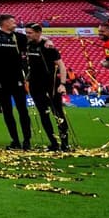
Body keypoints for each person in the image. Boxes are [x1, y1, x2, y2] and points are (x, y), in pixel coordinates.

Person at [0, 14, 31, 150]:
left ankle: (27, 140)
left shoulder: (19, 37)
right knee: (7, 111)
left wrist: (46, 40)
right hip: (0, 79)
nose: (15, 23)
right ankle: (15, 140)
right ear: (4, 23)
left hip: (17, 78)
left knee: (23, 110)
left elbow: (35, 40)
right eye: (12, 21)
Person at [25, 23, 70, 151]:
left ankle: (65, 143)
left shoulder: (48, 47)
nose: (27, 35)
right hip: (35, 84)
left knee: (58, 113)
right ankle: (53, 143)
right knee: (43, 114)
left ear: (38, 32)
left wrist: (62, 84)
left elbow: (61, 65)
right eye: (27, 32)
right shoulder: (28, 45)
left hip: (51, 84)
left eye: (30, 33)